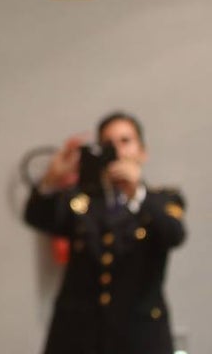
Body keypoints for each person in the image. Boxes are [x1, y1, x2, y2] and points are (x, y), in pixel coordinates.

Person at [24, 112, 186, 354]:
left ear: (142, 151)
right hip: (78, 335)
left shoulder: (162, 199)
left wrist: (137, 193)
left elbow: (173, 235)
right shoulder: (81, 201)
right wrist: (52, 178)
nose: (118, 150)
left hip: (139, 335)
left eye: (125, 141)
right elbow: (38, 216)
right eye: (109, 143)